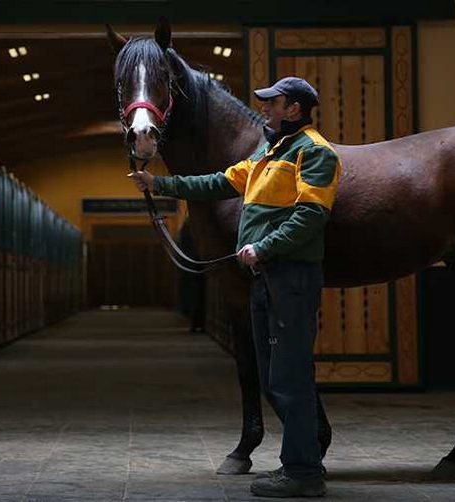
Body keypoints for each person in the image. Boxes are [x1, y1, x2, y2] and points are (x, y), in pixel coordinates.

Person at [128, 76, 340, 498]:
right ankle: (302, 461)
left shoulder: (315, 153)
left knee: (290, 375)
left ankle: (303, 472)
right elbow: (219, 182)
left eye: (273, 103)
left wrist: (263, 246)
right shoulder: (268, 152)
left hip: (290, 275)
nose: (264, 108)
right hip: (265, 277)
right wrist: (160, 185)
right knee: (273, 377)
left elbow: (311, 217)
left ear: (294, 109)